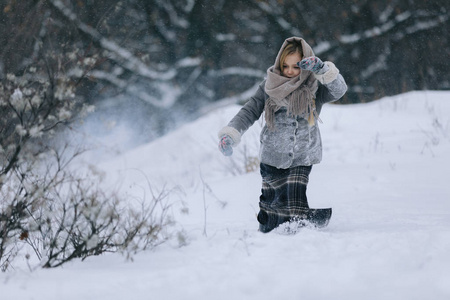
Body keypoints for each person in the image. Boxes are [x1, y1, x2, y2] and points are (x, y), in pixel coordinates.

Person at [217, 37, 347, 233]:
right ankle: (308, 218)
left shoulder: (315, 86)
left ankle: (301, 227)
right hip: (272, 153)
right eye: (285, 65)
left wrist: (321, 69)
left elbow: (339, 90)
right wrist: (231, 134)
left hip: (303, 154)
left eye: (296, 66)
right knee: (270, 218)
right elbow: (249, 111)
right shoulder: (269, 86)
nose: (289, 71)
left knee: (294, 201)